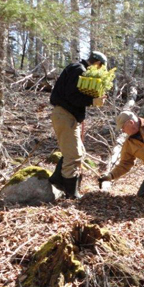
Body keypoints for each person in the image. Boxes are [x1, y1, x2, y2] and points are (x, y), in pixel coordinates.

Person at [49, 51, 108, 199]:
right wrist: (93, 101)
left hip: (67, 116)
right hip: (65, 115)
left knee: (78, 151)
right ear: (97, 63)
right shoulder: (79, 70)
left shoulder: (76, 68)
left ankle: (57, 179)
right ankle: (71, 193)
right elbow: (72, 96)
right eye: (100, 67)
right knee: (73, 154)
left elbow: (73, 95)